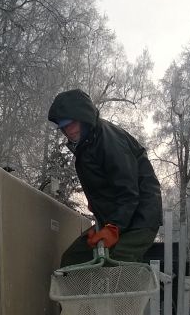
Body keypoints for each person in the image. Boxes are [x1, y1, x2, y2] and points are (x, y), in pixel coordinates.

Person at [48, 88, 162, 266]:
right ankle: (87, 294)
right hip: (115, 220)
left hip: (139, 219)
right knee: (73, 260)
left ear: (83, 118)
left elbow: (128, 192)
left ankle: (122, 294)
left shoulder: (110, 141)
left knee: (114, 265)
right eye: (63, 127)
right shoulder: (86, 144)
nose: (68, 131)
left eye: (71, 124)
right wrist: (100, 214)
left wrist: (113, 227)